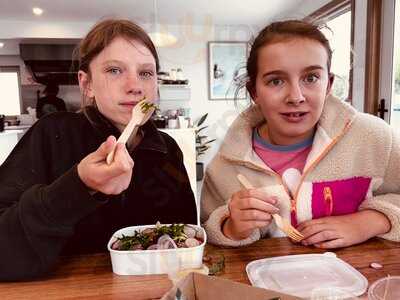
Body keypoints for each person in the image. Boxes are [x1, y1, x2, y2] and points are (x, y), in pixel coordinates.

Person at [0, 19, 197, 281]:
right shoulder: (52, 134)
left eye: (146, 73)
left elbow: (187, 236)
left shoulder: (166, 148)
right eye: (115, 70)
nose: (135, 85)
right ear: (87, 84)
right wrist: (79, 186)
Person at [201, 20, 400, 248]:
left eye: (311, 78)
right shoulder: (224, 168)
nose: (296, 97)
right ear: (254, 91)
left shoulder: (374, 137)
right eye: (276, 81)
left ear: (328, 84)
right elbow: (206, 236)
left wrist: (370, 221)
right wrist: (231, 228)